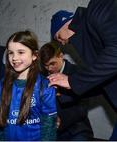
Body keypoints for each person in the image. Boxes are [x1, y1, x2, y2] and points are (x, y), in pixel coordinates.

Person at [49, 0, 117, 140]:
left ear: (65, 23)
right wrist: (66, 91)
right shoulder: (88, 41)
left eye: (58, 37)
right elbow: (102, 82)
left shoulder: (99, 8)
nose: (61, 42)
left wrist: (72, 81)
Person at [0, 30, 57, 141]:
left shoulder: (45, 86)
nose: (14, 58)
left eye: (21, 52)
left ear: (34, 55)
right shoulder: (3, 84)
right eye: (10, 53)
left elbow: (48, 128)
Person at [40, 40, 93, 140]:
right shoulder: (42, 76)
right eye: (45, 65)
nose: (49, 68)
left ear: (61, 56)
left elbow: (82, 108)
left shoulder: (78, 72)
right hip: (52, 130)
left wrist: (60, 119)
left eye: (52, 63)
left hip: (77, 129)